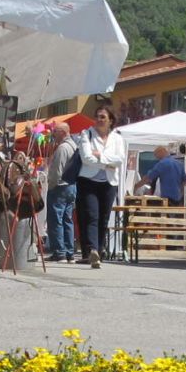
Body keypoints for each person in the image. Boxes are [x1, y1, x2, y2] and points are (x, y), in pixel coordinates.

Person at [71, 101, 128, 267]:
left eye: (103, 117)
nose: (99, 120)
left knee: (104, 218)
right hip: (88, 181)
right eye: (97, 117)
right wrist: (107, 162)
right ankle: (92, 250)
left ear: (111, 120)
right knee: (91, 216)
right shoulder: (86, 134)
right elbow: (86, 158)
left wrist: (100, 156)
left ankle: (99, 251)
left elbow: (120, 159)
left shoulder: (117, 138)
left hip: (109, 183)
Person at [44, 123, 79, 260]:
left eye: (55, 131)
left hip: (60, 187)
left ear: (63, 132)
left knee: (56, 219)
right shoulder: (74, 146)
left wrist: (51, 184)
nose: (53, 134)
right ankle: (69, 251)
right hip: (71, 186)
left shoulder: (63, 148)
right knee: (67, 219)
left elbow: (57, 171)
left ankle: (59, 252)